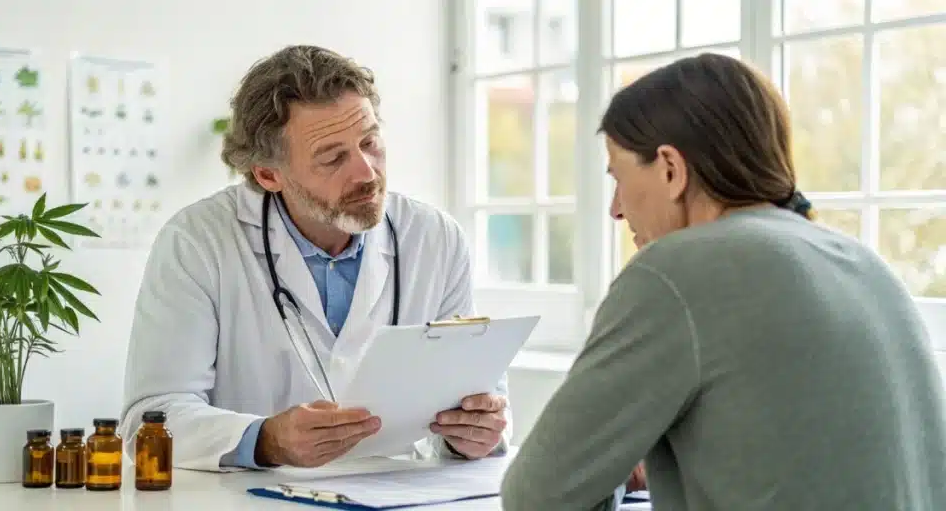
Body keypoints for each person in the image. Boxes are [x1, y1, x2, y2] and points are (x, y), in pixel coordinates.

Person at [500, 53, 946, 510]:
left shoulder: (674, 270)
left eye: (619, 178)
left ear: (670, 169)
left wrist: (608, 472)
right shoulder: (867, 266)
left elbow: (535, 497)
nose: (616, 209)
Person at [118, 45, 511, 471]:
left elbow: (474, 397)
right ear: (268, 175)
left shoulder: (434, 237)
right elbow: (151, 416)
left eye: (370, 142)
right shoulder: (197, 242)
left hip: (399, 493)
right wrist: (264, 440)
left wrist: (475, 434)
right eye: (333, 157)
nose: (366, 172)